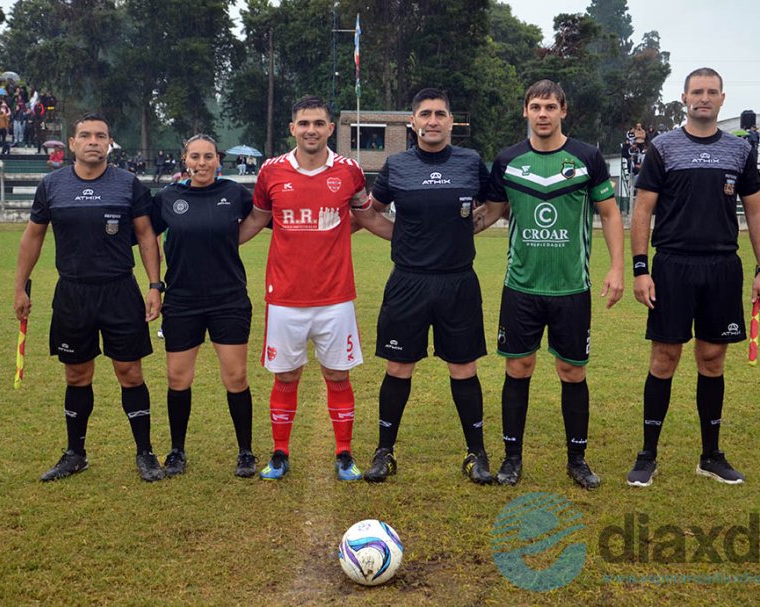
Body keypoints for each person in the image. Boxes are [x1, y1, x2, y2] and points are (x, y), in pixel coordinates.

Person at [474, 79, 624, 489]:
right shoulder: (508, 160)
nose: (543, 114)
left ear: (563, 111)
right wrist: (446, 233)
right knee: (518, 367)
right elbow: (491, 212)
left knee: (571, 372)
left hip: (572, 287)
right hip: (521, 287)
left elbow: (610, 214)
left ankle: (577, 460)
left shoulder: (587, 157)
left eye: (550, 107)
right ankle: (511, 459)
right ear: (525, 111)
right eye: (536, 107)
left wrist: (616, 269)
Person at [627, 67, 760, 487]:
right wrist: (641, 268)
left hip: (723, 267)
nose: (703, 98)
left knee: (712, 359)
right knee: (664, 358)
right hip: (673, 266)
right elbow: (642, 211)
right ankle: (647, 454)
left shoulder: (740, 151)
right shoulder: (663, 147)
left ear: (722, 99)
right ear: (685, 98)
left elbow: (757, 211)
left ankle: (710, 455)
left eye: (711, 92)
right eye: (697, 92)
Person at [239, 95, 393, 481]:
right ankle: (280, 453)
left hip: (335, 297)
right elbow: (257, 218)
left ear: (329, 129)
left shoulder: (350, 171)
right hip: (285, 298)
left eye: (318, 123)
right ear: (292, 128)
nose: (311, 130)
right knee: (286, 376)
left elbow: (366, 216)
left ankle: (343, 454)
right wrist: (212, 245)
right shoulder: (271, 172)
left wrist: (411, 239)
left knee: (338, 376)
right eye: (304, 123)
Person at [14, 112, 166, 483]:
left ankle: (145, 454)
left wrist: (154, 285)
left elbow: (147, 236)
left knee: (130, 373)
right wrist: (20, 285)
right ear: (73, 143)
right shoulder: (52, 185)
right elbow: (33, 236)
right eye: (86, 135)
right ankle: (75, 453)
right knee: (76, 374)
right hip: (72, 293)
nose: (93, 141)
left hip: (119, 290)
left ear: (109, 142)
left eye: (101, 135)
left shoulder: (128, 184)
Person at [360, 88, 494, 485]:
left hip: (458, 282)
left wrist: (473, 228)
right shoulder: (396, 165)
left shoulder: (471, 162)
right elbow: (372, 214)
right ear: (413, 122)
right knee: (399, 367)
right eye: (425, 114)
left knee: (463, 367)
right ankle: (384, 451)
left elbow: (496, 204)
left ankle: (477, 453)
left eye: (440, 113)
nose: (433, 120)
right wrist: (404, 239)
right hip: (408, 282)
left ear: (452, 121)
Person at [151, 134, 258, 478]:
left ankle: (245, 451)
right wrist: (155, 285)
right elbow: (145, 236)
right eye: (195, 156)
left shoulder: (235, 194)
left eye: (208, 156)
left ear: (218, 160)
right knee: (178, 378)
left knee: (236, 377)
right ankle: (177, 451)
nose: (201, 162)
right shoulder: (168, 197)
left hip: (229, 299)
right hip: (182, 300)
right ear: (185, 160)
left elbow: (263, 218)